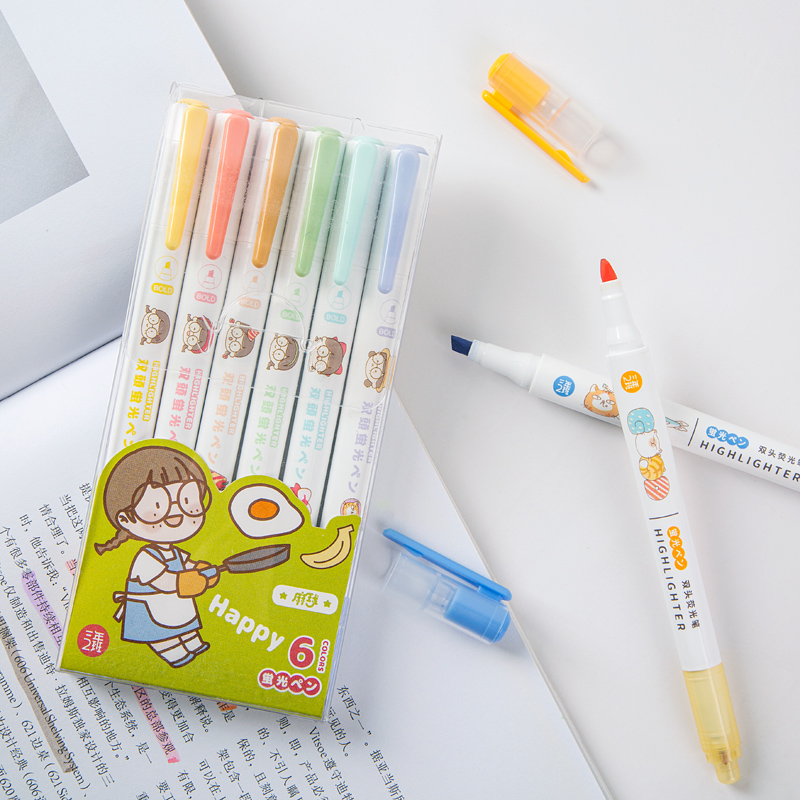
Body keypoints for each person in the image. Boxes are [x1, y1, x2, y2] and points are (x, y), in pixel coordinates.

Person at [95, 446, 218, 667]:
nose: (176, 517)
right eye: (157, 510)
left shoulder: (174, 551)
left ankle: (191, 642)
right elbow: (163, 580)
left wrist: (200, 568)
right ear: (126, 519)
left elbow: (186, 563)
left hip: (174, 604)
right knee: (162, 634)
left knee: (183, 624)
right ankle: (172, 651)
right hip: (150, 608)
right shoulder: (146, 557)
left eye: (189, 505)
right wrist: (186, 581)